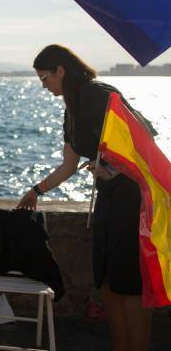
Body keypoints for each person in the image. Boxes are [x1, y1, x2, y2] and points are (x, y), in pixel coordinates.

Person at [17, 44, 154, 351]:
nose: (43, 85)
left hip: (130, 199)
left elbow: (144, 135)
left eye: (44, 78)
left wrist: (114, 169)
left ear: (60, 70)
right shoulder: (72, 108)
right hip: (107, 199)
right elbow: (68, 165)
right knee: (106, 283)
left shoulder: (98, 93)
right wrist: (36, 191)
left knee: (129, 285)